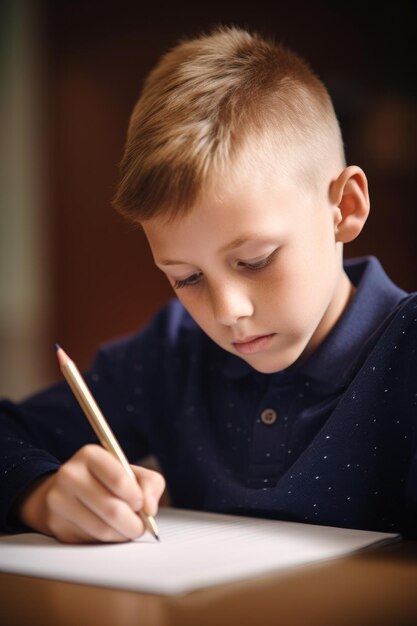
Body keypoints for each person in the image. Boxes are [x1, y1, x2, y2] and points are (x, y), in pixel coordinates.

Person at [1, 25, 416, 544]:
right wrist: (39, 493)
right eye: (187, 277)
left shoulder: (407, 356)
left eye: (256, 260)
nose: (226, 311)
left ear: (345, 208)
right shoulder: (174, 352)